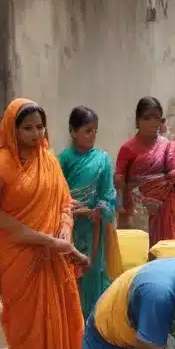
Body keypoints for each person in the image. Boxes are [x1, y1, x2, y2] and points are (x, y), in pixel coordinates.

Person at [0, 99, 88, 349]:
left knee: (62, 317)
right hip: (17, 254)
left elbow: (65, 202)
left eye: (40, 127)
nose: (35, 133)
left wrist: (65, 233)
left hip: (54, 253)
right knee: (26, 324)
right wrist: (43, 240)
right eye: (27, 128)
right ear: (12, 129)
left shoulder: (50, 160)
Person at [58, 106, 119, 319]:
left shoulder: (102, 160)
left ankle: (94, 323)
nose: (92, 135)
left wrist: (95, 210)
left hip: (93, 228)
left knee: (93, 272)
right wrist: (70, 209)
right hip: (68, 228)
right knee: (70, 276)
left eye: (95, 131)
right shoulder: (62, 160)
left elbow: (108, 195)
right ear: (72, 131)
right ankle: (73, 326)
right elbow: (57, 193)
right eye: (87, 130)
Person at [115, 97, 175, 246]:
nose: (153, 122)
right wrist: (122, 205)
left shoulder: (167, 146)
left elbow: (173, 170)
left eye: (157, 118)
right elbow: (119, 179)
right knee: (139, 253)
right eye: (147, 118)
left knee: (162, 250)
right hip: (137, 209)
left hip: (163, 208)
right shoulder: (128, 148)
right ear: (138, 120)